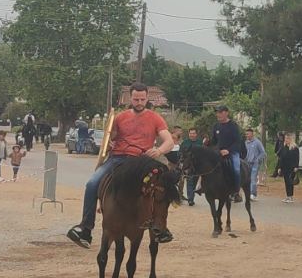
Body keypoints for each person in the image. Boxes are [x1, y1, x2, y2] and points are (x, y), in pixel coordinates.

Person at [66, 86, 174, 248]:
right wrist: (109, 143)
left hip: (141, 161)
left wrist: (158, 150)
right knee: (92, 183)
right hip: (117, 158)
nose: (139, 103)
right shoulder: (119, 118)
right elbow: (110, 137)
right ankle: (85, 228)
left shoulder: (156, 118)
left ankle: (161, 227)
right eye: (136, 99)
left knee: (161, 186)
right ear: (130, 98)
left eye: (142, 99)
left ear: (147, 98)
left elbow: (169, 141)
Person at [210, 105, 245, 202]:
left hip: (232, 152)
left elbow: (237, 141)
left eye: (220, 112)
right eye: (217, 112)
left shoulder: (233, 125)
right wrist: (209, 143)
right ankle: (203, 186)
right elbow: (214, 141)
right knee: (207, 164)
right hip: (219, 152)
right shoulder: (216, 126)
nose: (218, 114)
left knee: (236, 169)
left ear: (226, 113)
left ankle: (236, 192)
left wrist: (228, 150)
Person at [276, 133, 300, 203]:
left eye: (288, 138)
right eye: (285, 138)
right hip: (285, 167)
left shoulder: (294, 148)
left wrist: (296, 166)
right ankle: (288, 196)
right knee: (286, 182)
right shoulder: (284, 147)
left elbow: (297, 158)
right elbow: (281, 158)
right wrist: (279, 167)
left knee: (290, 182)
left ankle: (291, 197)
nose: (286, 140)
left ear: (291, 139)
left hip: (292, 168)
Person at [244, 129, 266, 201]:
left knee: (253, 178)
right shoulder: (246, 143)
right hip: (247, 164)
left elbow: (263, 153)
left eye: (248, 134)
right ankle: (249, 193)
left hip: (255, 164)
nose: (247, 135)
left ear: (252, 134)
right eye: (246, 134)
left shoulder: (257, 142)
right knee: (247, 179)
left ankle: (253, 194)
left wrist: (257, 159)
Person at [183, 128, 202, 206]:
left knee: (194, 181)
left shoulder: (200, 142)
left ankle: (192, 197)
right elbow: (180, 153)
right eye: (190, 133)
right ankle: (190, 199)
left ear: (196, 134)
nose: (192, 135)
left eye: (193, 133)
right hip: (188, 165)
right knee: (189, 181)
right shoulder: (185, 142)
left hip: (197, 165)